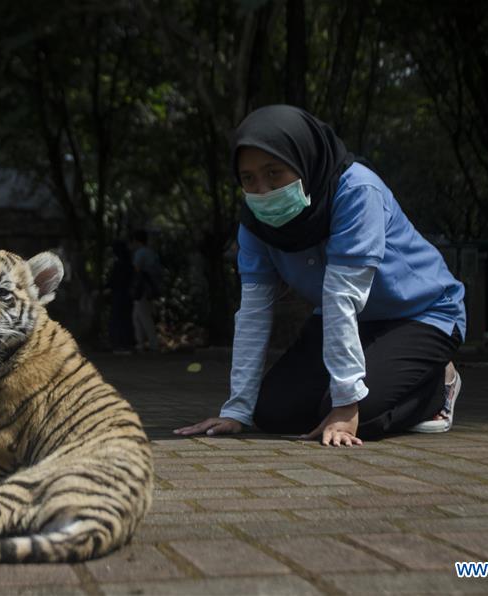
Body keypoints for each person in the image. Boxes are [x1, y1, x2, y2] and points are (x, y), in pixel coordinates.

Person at [174, 105, 466, 446]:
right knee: (271, 413)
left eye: (274, 173)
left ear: (303, 160)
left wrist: (345, 405)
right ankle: (362, 390)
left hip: (421, 315)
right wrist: (236, 409)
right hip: (345, 320)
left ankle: (436, 386)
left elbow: (343, 295)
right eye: (249, 178)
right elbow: (253, 312)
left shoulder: (357, 191)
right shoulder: (254, 222)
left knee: (358, 415)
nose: (263, 190)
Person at [130, 229, 162, 352]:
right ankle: (141, 344)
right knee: (137, 317)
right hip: (149, 288)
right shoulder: (151, 252)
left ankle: (153, 344)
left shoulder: (140, 253)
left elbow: (137, 270)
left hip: (143, 289)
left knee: (144, 317)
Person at [106, 240, 135, 354]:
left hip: (119, 296)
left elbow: (114, 281)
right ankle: (126, 344)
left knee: (118, 320)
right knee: (125, 320)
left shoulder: (119, 265)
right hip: (126, 296)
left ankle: (120, 345)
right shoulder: (129, 263)